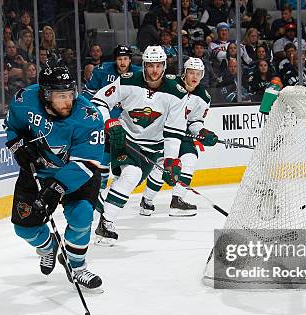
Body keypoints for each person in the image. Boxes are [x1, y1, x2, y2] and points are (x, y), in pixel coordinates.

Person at [3, 64, 104, 290]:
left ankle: (77, 267)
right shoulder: (24, 100)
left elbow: (87, 162)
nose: (68, 102)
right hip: (37, 171)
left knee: (82, 216)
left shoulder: (88, 116)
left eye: (70, 94)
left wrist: (56, 188)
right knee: (24, 229)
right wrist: (18, 146)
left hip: (77, 174)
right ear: (46, 95)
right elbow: (12, 128)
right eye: (60, 96)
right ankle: (49, 247)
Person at [90, 46, 188, 246]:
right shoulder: (127, 80)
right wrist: (109, 121)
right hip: (125, 140)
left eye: (158, 65)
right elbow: (98, 100)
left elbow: (174, 131)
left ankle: (99, 203)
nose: (154, 70)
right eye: (150, 65)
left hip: (152, 148)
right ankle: (106, 223)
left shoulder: (177, 93)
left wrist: (171, 160)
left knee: (127, 180)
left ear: (164, 65)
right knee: (131, 174)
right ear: (143, 65)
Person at [139, 58, 217, 217]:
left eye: (198, 73)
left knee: (189, 158)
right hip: (161, 132)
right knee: (163, 166)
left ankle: (177, 201)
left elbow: (195, 122)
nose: (194, 77)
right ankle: (146, 200)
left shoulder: (203, 96)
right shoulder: (169, 83)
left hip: (182, 134)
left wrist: (202, 133)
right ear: (184, 73)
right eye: (191, 72)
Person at [82, 45, 142, 189]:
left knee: (124, 158)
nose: (122, 63)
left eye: (126, 59)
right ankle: (101, 186)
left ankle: (118, 185)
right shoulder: (102, 71)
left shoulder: (138, 74)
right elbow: (87, 94)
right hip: (106, 121)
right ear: (115, 60)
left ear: (130, 60)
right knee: (104, 156)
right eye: (120, 59)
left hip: (128, 124)